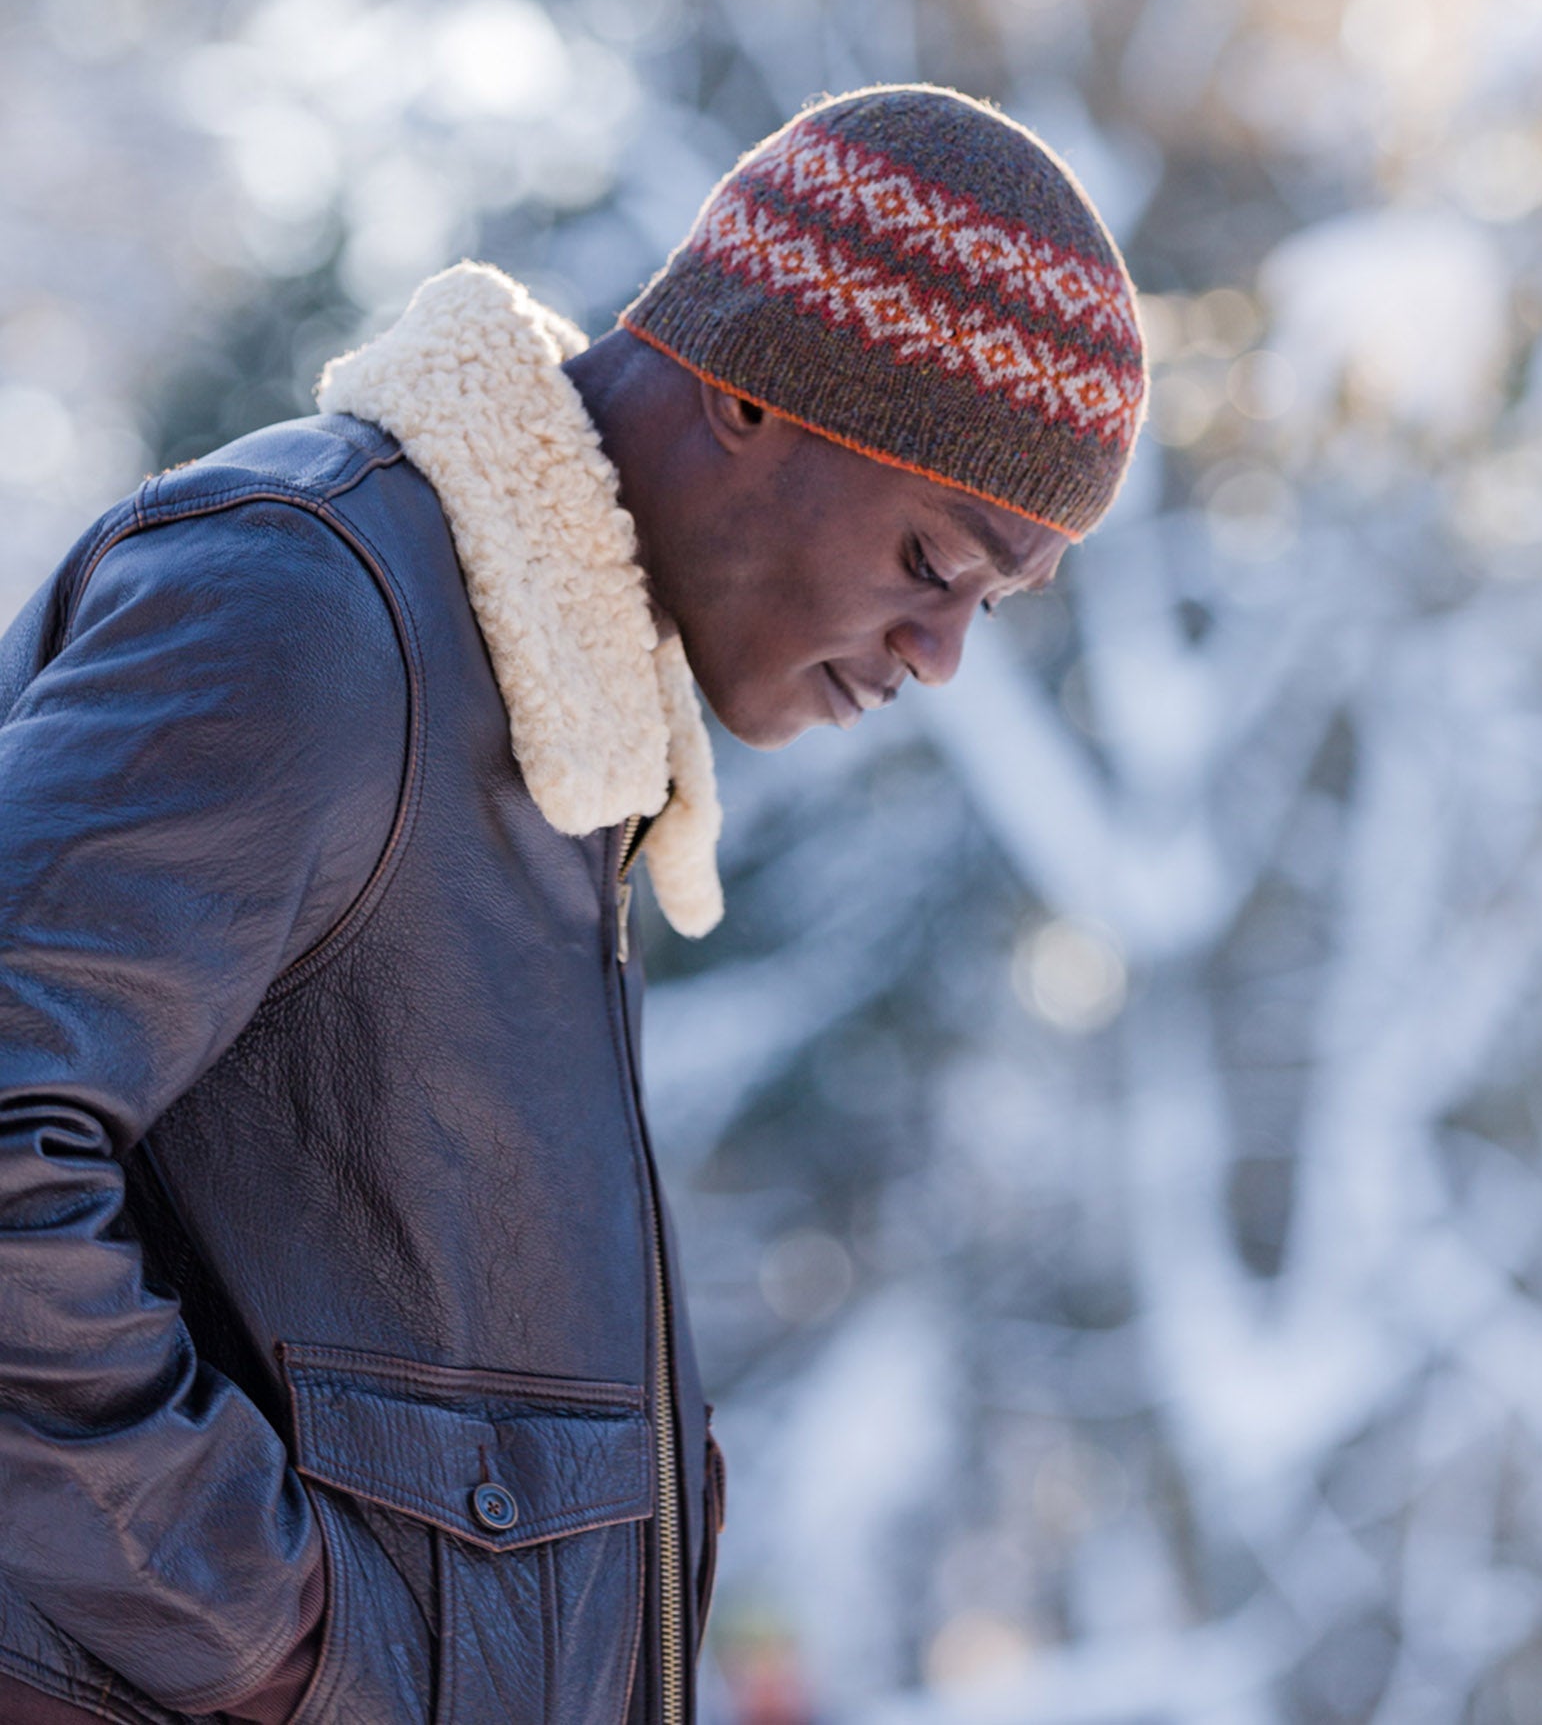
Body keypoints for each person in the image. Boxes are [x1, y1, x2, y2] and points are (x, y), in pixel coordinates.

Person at [0, 84, 1147, 1724]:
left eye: (994, 601)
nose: (941, 653)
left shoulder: (553, 753)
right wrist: (281, 1647)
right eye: (932, 560)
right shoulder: (319, 612)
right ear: (753, 390)